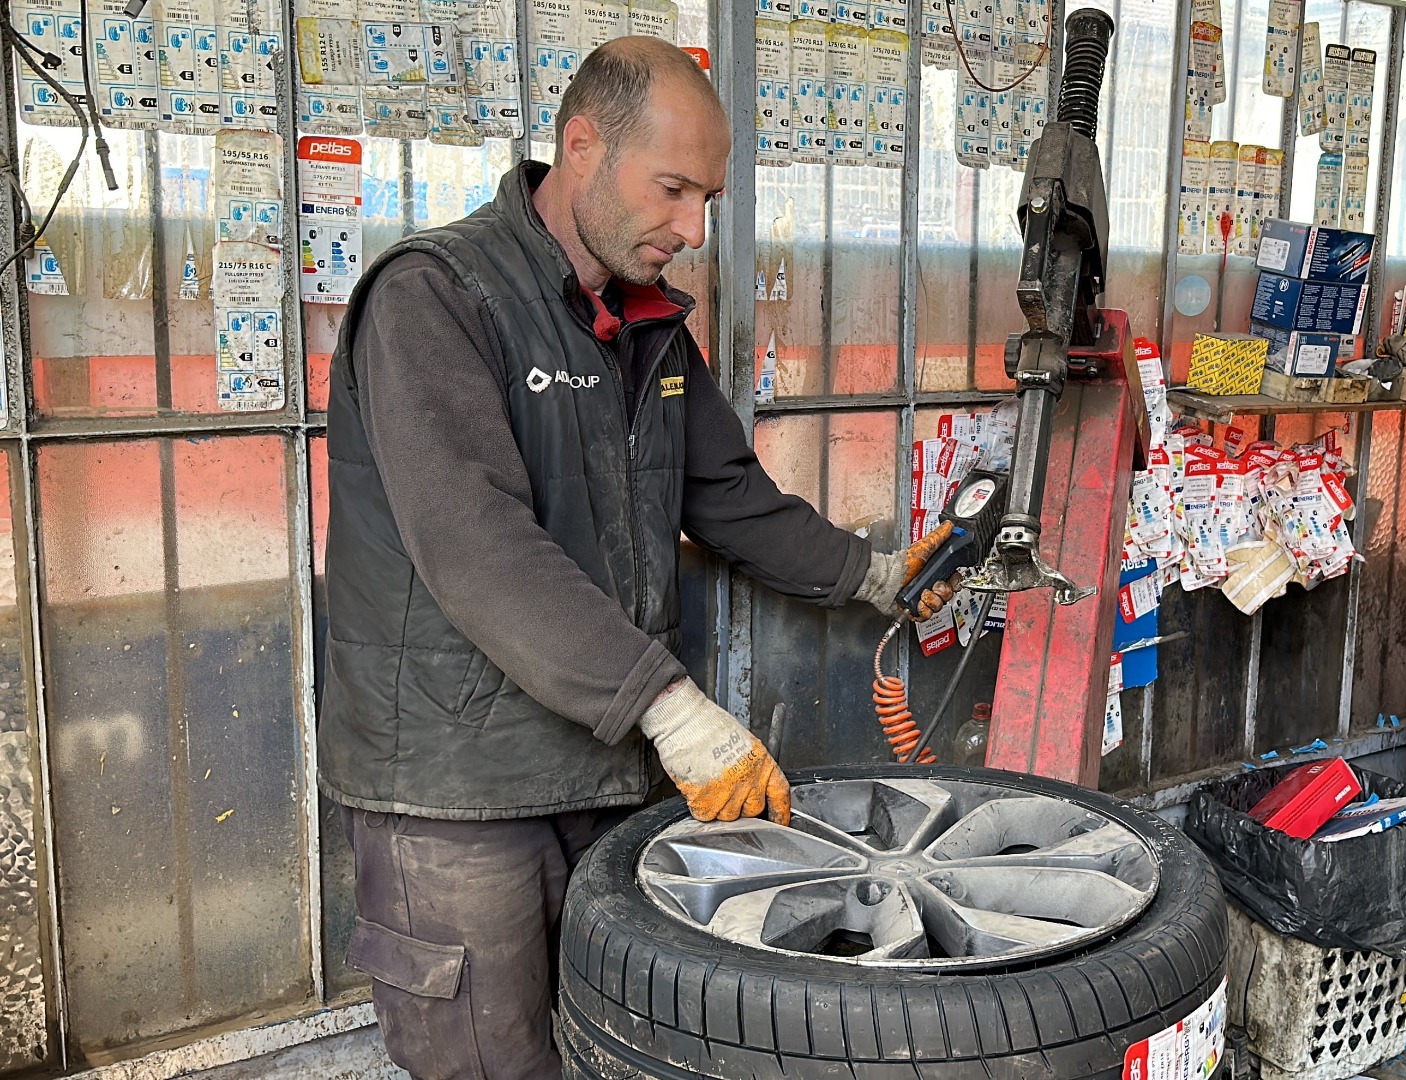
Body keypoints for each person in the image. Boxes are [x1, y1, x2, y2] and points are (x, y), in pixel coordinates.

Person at [317, 36, 956, 1078]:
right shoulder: (436, 299)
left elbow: (727, 496)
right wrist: (673, 711)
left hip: (606, 774)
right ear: (580, 147)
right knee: (492, 1062)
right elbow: (475, 546)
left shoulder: (645, 323)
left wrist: (875, 576)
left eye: (706, 197)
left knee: (625, 1048)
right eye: (671, 190)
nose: (691, 229)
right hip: (462, 791)